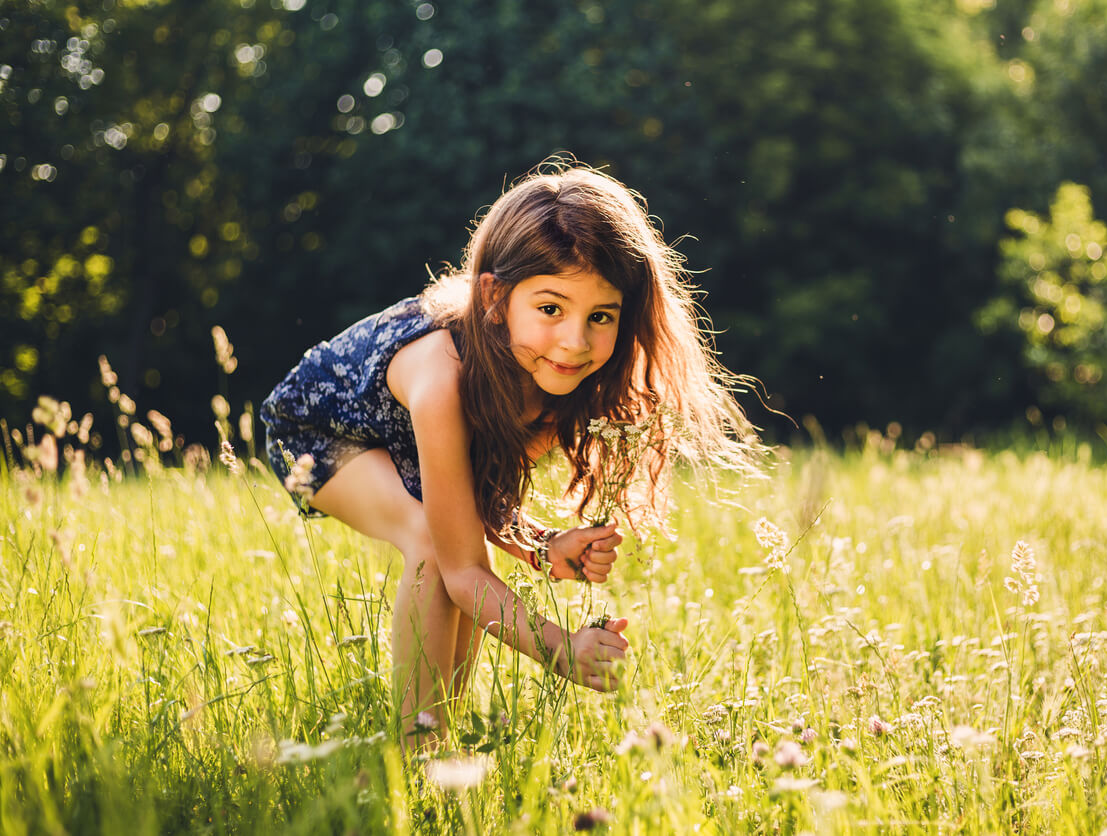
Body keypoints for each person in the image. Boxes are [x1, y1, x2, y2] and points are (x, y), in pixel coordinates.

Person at [259, 160, 758, 744]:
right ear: (496, 297)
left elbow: (476, 498)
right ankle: (418, 745)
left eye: (600, 316)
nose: (575, 341)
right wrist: (561, 650)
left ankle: (442, 733)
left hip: (403, 441)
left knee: (455, 549)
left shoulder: (547, 374)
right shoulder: (441, 376)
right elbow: (461, 566)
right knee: (432, 545)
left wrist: (543, 548)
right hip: (316, 433)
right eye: (551, 309)